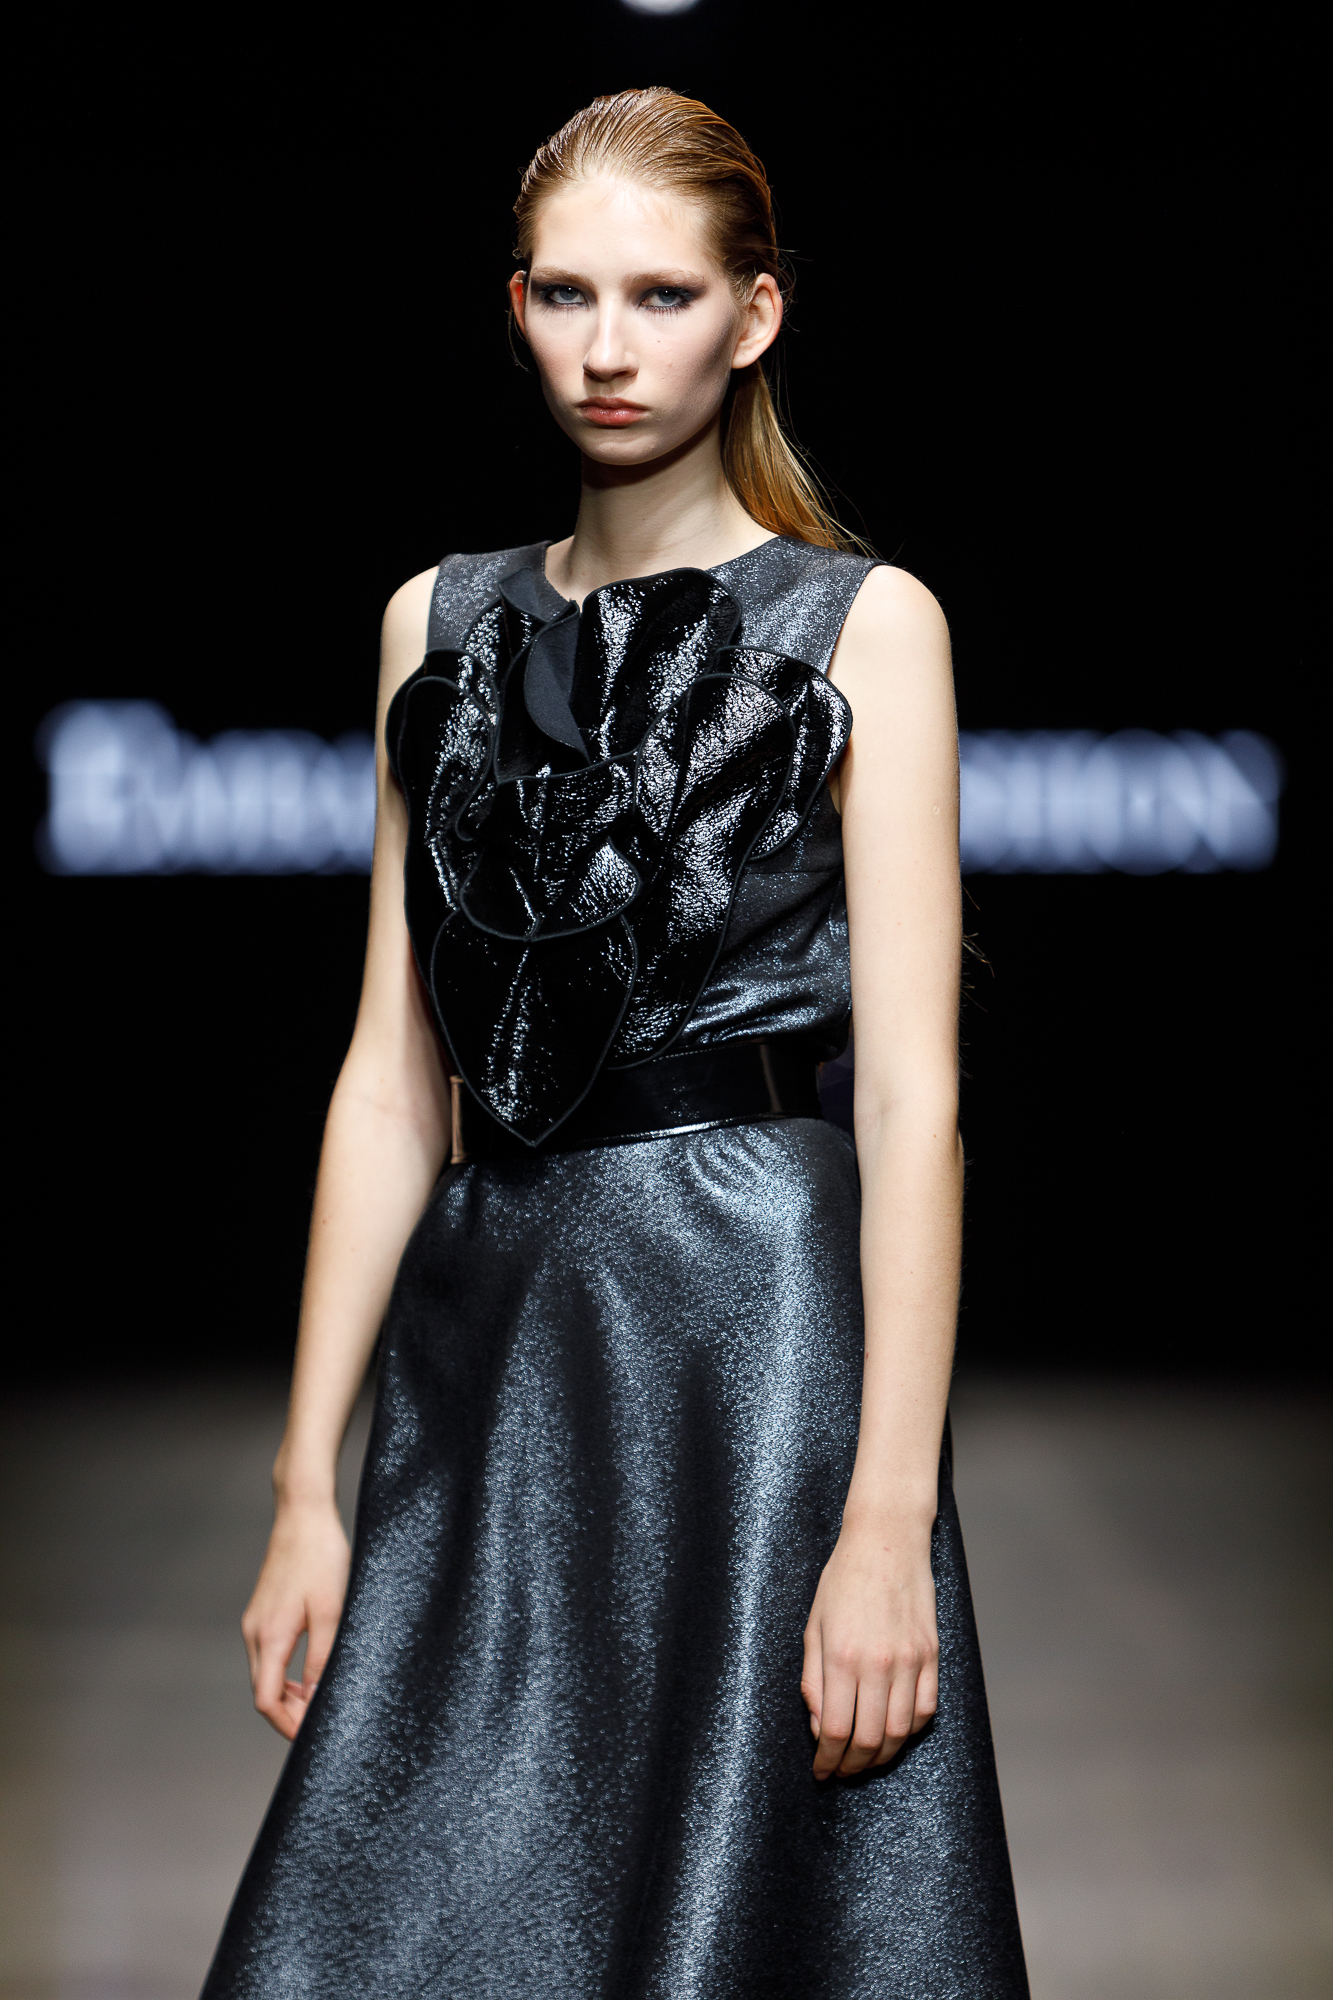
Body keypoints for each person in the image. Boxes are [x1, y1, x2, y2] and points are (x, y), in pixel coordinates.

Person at [203, 87, 1028, 1998]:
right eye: (565, 293)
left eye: (661, 295)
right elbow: (388, 1073)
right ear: (513, 308)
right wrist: (306, 1480)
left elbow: (913, 1099)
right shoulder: (436, 621)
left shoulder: (864, 626)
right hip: (488, 1338)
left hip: (753, 1342)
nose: (607, 346)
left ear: (753, 313)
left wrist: (887, 1515)